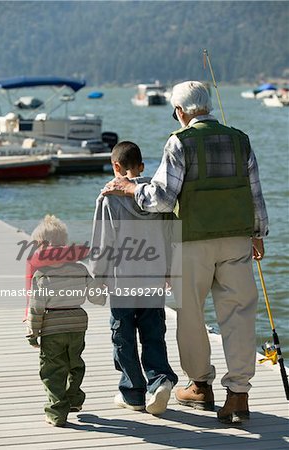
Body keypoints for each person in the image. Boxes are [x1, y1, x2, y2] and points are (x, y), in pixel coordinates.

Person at [102, 82, 269, 424]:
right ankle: (238, 395)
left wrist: (133, 188)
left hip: (192, 241)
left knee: (190, 314)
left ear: (180, 111)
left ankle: (200, 386)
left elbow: (162, 197)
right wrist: (258, 233)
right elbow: (254, 192)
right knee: (238, 316)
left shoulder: (179, 141)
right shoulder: (241, 139)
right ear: (207, 107)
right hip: (237, 238)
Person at [88, 141, 178, 415]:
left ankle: (133, 392)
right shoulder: (158, 196)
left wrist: (97, 278)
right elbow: (171, 237)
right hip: (153, 278)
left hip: (121, 279)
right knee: (153, 333)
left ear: (116, 167)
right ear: (141, 167)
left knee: (123, 335)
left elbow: (103, 242)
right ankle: (159, 380)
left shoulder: (108, 198)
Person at [26, 215, 104, 427]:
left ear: (41, 246)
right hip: (78, 323)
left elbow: (36, 308)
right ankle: (74, 399)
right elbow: (97, 298)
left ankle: (56, 412)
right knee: (74, 362)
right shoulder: (79, 269)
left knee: (52, 369)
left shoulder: (42, 275)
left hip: (52, 326)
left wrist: (32, 334)